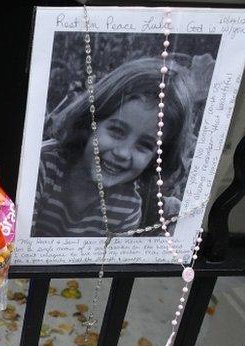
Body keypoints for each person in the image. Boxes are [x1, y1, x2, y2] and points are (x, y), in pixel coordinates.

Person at [32, 57, 196, 237]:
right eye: (117, 131)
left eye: (144, 145)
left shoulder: (127, 210)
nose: (123, 153)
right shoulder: (43, 166)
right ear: (89, 122)